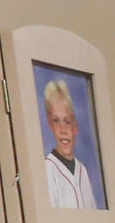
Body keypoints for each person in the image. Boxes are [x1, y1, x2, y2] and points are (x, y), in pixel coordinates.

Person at [43, 78, 101, 210]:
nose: (63, 129)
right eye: (56, 121)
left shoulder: (82, 170)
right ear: (50, 124)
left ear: (75, 127)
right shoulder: (48, 169)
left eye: (67, 121)